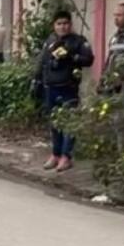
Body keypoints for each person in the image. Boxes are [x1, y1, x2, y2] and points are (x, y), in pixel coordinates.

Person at [34, 10, 95, 172]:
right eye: (59, 24)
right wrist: (36, 80)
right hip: (51, 88)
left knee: (69, 124)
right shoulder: (50, 41)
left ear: (71, 24)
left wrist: (71, 56)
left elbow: (89, 60)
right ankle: (55, 154)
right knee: (54, 124)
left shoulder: (78, 41)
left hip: (68, 88)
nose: (63, 27)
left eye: (65, 23)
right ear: (54, 26)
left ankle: (66, 156)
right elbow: (42, 61)